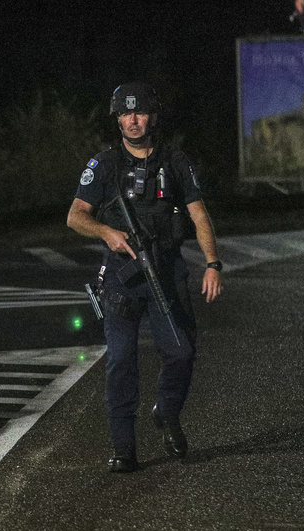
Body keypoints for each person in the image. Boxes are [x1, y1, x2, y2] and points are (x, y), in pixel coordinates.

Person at [66, 82, 222, 473]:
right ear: (117, 118)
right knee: (122, 361)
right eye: (125, 114)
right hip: (122, 275)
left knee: (182, 352)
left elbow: (199, 215)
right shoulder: (103, 164)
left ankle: (166, 411)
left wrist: (213, 263)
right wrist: (106, 232)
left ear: (153, 116)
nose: (132, 121)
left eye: (139, 113)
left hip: (167, 271)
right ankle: (124, 449)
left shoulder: (176, 162)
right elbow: (76, 215)